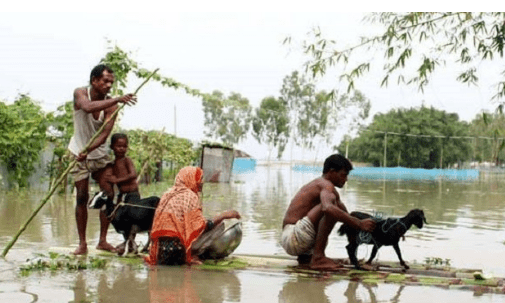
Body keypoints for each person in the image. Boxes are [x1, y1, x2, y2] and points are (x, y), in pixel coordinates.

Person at [68, 64, 137, 255]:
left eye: (111, 82)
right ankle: (82, 244)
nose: (108, 85)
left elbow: (105, 135)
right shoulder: (80, 93)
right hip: (77, 153)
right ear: (94, 81)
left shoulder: (111, 106)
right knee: (82, 197)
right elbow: (88, 107)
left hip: (97, 154)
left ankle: (102, 240)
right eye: (105, 81)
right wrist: (118, 98)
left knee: (108, 194)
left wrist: (89, 148)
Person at [280, 154, 376, 271]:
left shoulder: (326, 189)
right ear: (331, 172)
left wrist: (375, 226)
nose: (345, 179)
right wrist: (360, 224)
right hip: (293, 237)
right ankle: (318, 258)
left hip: (296, 239)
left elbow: (347, 217)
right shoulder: (326, 185)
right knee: (331, 209)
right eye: (343, 175)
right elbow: (328, 209)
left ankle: (308, 257)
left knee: (339, 211)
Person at [145, 166, 241, 265]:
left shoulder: (167, 195)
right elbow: (202, 227)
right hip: (177, 254)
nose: (202, 182)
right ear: (190, 179)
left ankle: (190, 253)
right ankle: (191, 256)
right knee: (219, 226)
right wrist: (224, 215)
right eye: (200, 178)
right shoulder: (190, 196)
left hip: (160, 253)